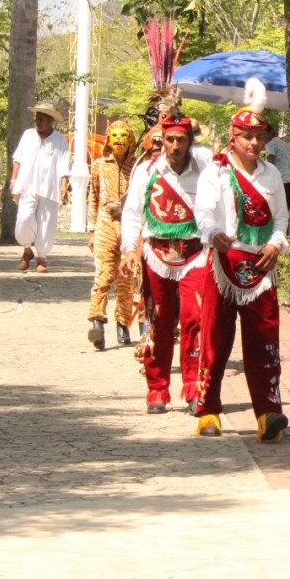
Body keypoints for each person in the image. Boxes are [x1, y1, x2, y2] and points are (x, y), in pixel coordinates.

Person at [193, 78, 290, 442]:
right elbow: (203, 212)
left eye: (258, 136)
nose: (252, 142)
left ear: (265, 140)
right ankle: (207, 411)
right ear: (232, 136)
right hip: (223, 264)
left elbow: (281, 218)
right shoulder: (215, 173)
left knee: (264, 342)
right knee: (216, 339)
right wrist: (212, 233)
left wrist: (276, 244)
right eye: (245, 135)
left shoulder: (272, 175)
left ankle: (268, 414)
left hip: (261, 268)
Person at [120, 114, 208, 414]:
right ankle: (157, 389)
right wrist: (130, 249)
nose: (174, 146)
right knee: (159, 321)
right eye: (169, 139)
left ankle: (194, 388)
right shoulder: (147, 171)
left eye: (180, 140)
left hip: (195, 255)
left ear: (189, 142)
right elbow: (132, 212)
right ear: (162, 140)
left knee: (195, 319)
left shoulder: (205, 170)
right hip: (156, 256)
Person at [85, 120, 138, 350]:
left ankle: (123, 324)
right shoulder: (98, 165)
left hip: (128, 227)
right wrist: (92, 230)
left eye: (122, 136)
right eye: (114, 136)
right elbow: (93, 198)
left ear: (130, 140)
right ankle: (97, 321)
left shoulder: (137, 167)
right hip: (105, 225)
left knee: (126, 281)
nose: (118, 140)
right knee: (104, 275)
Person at [10, 101, 71, 273]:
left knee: (46, 222)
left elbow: (64, 165)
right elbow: (18, 159)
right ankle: (27, 250)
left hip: (49, 187)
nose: (39, 122)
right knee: (24, 217)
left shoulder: (59, 140)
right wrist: (13, 180)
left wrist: (64, 185)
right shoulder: (28, 135)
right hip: (27, 185)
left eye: (43, 119)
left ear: (51, 121)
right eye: (37, 119)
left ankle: (42, 257)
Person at [264, 123, 290, 212]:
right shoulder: (286, 145)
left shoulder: (270, 144)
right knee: (283, 217)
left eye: (263, 134)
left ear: (271, 132)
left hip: (281, 185)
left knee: (274, 217)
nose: (261, 138)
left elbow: (270, 163)